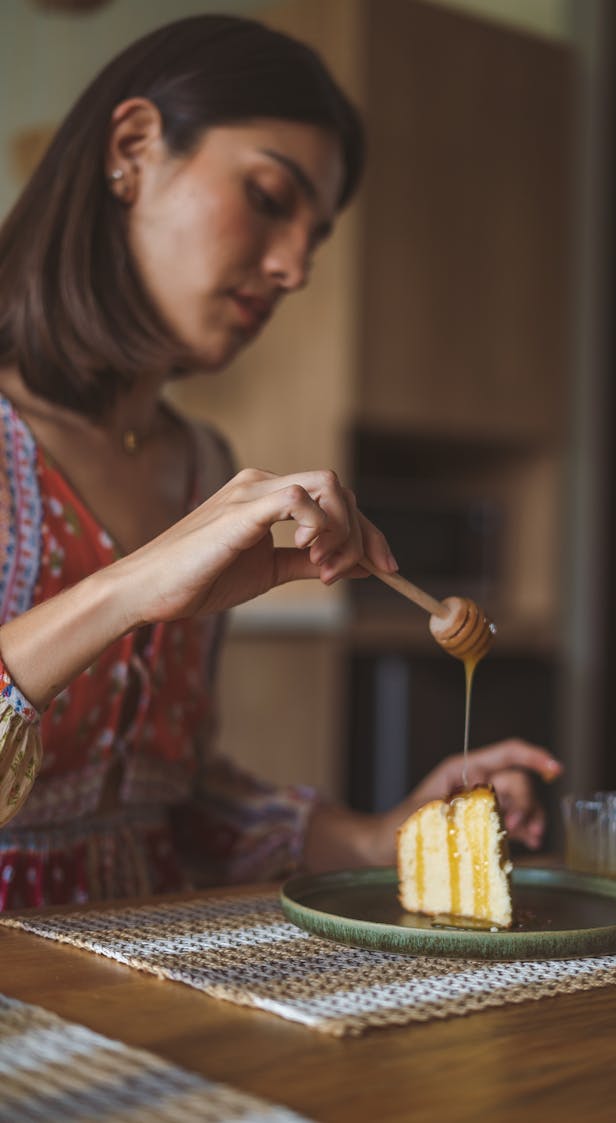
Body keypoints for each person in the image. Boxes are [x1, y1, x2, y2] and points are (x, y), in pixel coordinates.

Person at [0, 14, 561, 910]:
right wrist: (129, 588)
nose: (298, 265)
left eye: (318, 232)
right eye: (269, 196)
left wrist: (379, 833)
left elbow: (169, 805)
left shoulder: (203, 466)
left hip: (152, 979)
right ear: (134, 149)